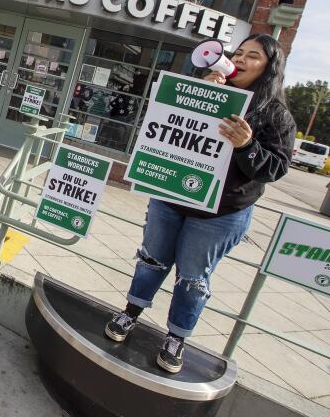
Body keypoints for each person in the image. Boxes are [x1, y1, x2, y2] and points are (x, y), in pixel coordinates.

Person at [104, 34, 296, 373]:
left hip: (220, 214)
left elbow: (275, 168)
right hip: (172, 198)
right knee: (151, 259)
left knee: (193, 277)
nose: (240, 59)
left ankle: (177, 336)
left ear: (269, 69)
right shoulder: (205, 87)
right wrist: (202, 94)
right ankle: (130, 313)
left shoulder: (276, 115)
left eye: (252, 57)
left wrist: (246, 145)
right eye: (238, 53)